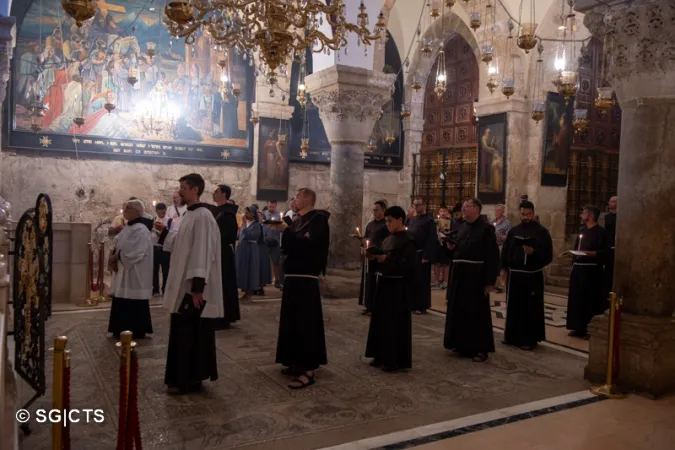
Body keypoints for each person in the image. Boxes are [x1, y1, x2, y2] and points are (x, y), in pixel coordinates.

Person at [160, 173, 224, 395]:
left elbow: (202, 253)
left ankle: (190, 379)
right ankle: (183, 377)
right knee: (183, 331)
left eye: (184, 188)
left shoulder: (203, 216)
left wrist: (198, 289)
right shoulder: (190, 215)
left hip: (193, 289)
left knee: (191, 334)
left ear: (195, 189)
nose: (180, 192)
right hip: (184, 285)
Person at [271, 188, 329, 389]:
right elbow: (289, 246)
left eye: (297, 197)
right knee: (292, 321)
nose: (294, 200)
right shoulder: (297, 221)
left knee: (307, 323)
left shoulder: (318, 220)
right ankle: (295, 360)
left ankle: (309, 369)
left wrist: (288, 233)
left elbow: (309, 245)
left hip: (306, 278)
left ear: (307, 199)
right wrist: (291, 234)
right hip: (293, 277)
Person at [444, 198, 500, 362]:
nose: (463, 208)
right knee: (459, 309)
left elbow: (492, 256)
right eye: (463, 206)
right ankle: (460, 344)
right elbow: (456, 252)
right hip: (459, 275)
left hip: (476, 276)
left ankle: (480, 349)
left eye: (467, 206)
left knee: (477, 312)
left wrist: (489, 281)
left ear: (476, 209)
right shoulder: (460, 227)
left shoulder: (486, 229)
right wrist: (449, 248)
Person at [365, 206, 418, 372]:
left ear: (399, 220)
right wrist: (372, 256)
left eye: (389, 221)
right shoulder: (388, 238)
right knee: (381, 321)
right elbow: (382, 259)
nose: (386, 224)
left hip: (398, 288)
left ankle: (393, 360)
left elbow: (408, 266)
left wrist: (385, 259)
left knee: (393, 324)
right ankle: (380, 355)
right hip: (384, 284)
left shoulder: (409, 240)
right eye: (386, 221)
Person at [500, 201, 553, 350]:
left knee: (530, 308)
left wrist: (534, 253)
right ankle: (511, 336)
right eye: (523, 214)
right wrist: (503, 268)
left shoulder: (542, 232)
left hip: (532, 276)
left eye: (529, 214)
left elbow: (548, 255)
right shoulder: (514, 231)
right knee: (514, 307)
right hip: (515, 275)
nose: (526, 217)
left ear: (533, 213)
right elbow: (506, 251)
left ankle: (529, 339)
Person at [107, 199, 154, 339]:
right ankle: (120, 329)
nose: (124, 210)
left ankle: (135, 329)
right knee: (122, 298)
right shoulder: (130, 226)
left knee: (132, 301)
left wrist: (117, 257)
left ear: (137, 211)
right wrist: (113, 255)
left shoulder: (141, 229)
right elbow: (118, 242)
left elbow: (135, 251)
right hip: (125, 271)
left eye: (128, 208)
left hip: (135, 272)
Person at [566, 205, 610, 338]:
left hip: (592, 272)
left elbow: (605, 253)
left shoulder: (601, 233)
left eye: (583, 213)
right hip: (578, 270)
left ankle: (589, 329)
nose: (581, 215)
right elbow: (576, 249)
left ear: (590, 216)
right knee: (576, 299)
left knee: (589, 301)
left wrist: (587, 253)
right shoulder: (582, 230)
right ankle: (577, 327)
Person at [211, 185, 241, 329]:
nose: (213, 194)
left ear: (224, 194)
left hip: (223, 253)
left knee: (223, 283)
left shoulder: (228, 214)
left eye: (216, 191)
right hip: (216, 251)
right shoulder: (217, 211)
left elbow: (228, 235)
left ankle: (224, 316)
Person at [405, 198, 437, 314]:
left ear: (424, 205)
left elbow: (431, 239)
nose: (416, 208)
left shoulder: (429, 221)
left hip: (422, 254)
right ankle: (411, 304)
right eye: (414, 205)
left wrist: (426, 255)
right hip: (412, 254)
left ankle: (421, 305)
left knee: (421, 281)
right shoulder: (411, 220)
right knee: (412, 280)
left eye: (418, 205)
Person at [359, 200, 390, 315]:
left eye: (376, 210)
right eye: (373, 210)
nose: (374, 212)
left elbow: (386, 241)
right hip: (369, 257)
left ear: (383, 210)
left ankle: (376, 306)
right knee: (369, 281)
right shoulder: (370, 224)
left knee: (377, 282)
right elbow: (367, 237)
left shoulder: (386, 225)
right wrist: (363, 244)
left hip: (378, 257)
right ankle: (368, 305)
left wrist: (376, 250)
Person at [236, 206, 263, 301]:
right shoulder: (245, 224)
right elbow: (239, 236)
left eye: (247, 212)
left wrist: (243, 226)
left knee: (251, 270)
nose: (245, 214)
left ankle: (250, 292)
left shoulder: (256, 225)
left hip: (251, 250)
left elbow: (252, 235)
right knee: (243, 270)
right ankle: (244, 289)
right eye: (245, 212)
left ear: (252, 214)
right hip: (243, 250)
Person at [152, 202, 171, 296]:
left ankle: (165, 289)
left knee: (165, 270)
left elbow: (171, 234)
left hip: (165, 249)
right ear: (156, 212)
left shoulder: (169, 221)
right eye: (159, 213)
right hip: (155, 247)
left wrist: (163, 231)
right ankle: (155, 289)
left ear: (165, 211)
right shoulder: (154, 220)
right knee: (154, 270)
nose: (161, 214)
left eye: (163, 212)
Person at [263, 201, 284, 289]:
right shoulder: (263, 214)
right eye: (270, 207)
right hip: (265, 241)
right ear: (267, 205)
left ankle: (277, 280)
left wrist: (278, 226)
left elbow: (282, 227)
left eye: (273, 207)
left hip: (275, 242)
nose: (271, 208)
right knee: (264, 262)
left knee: (276, 262)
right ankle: (263, 280)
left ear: (276, 206)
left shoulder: (279, 215)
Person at [493, 204, 512, 293]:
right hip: (494, 246)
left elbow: (509, 237)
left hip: (502, 246)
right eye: (495, 211)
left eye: (498, 211)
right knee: (494, 265)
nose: (496, 213)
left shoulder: (507, 223)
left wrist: (500, 236)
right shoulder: (494, 222)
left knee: (501, 266)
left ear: (502, 211)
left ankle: (502, 285)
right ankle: (495, 284)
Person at [602, 196, 617, 294]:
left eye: (612, 201)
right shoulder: (607, 217)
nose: (610, 203)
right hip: (609, 246)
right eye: (610, 201)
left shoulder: (621, 216)